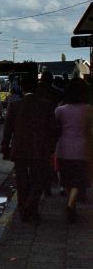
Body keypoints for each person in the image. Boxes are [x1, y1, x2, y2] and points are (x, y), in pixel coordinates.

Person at [1, 75, 57, 223]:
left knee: (21, 181)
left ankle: (23, 211)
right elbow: (53, 129)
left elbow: (7, 129)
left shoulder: (14, 105)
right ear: (36, 87)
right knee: (39, 180)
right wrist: (51, 147)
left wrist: (4, 147)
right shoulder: (47, 105)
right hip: (40, 149)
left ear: (22, 88)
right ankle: (32, 206)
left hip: (19, 149)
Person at [54, 79, 92, 223]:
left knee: (66, 179)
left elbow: (54, 127)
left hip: (63, 148)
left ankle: (71, 204)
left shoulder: (60, 110)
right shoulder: (89, 109)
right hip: (83, 149)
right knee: (79, 180)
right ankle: (71, 205)